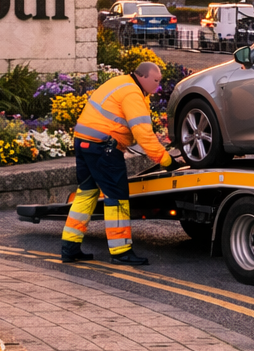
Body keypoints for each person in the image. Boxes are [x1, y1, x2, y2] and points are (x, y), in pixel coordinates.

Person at [62, 62, 177, 266]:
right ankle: (121, 251)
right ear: (143, 77)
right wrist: (167, 161)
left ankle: (70, 248)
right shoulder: (132, 94)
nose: (158, 86)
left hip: (84, 143)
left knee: (86, 193)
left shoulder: (120, 83)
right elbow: (143, 134)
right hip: (103, 148)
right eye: (156, 81)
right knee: (116, 197)